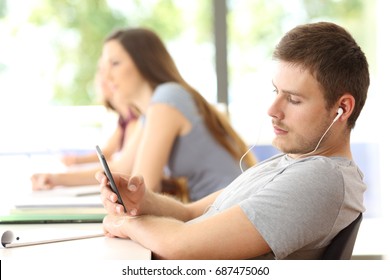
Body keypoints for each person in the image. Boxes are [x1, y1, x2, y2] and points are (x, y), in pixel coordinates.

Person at [97, 22, 370, 260]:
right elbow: (190, 214)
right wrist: (142, 202)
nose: (272, 109)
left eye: (294, 99)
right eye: (276, 91)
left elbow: (181, 245)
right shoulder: (290, 161)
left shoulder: (320, 178)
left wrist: (124, 223)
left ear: (342, 109)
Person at [34, 27, 257, 202]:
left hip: (232, 213)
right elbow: (121, 168)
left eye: (115, 63)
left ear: (143, 63)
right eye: (103, 66)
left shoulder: (166, 99)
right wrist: (56, 179)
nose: (105, 76)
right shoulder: (152, 110)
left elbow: (144, 189)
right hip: (223, 210)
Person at [31, 59, 140, 190]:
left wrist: (60, 176)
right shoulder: (125, 120)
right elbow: (109, 154)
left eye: (115, 65)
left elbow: (120, 167)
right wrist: (71, 165)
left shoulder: (137, 120)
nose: (103, 78)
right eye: (101, 71)